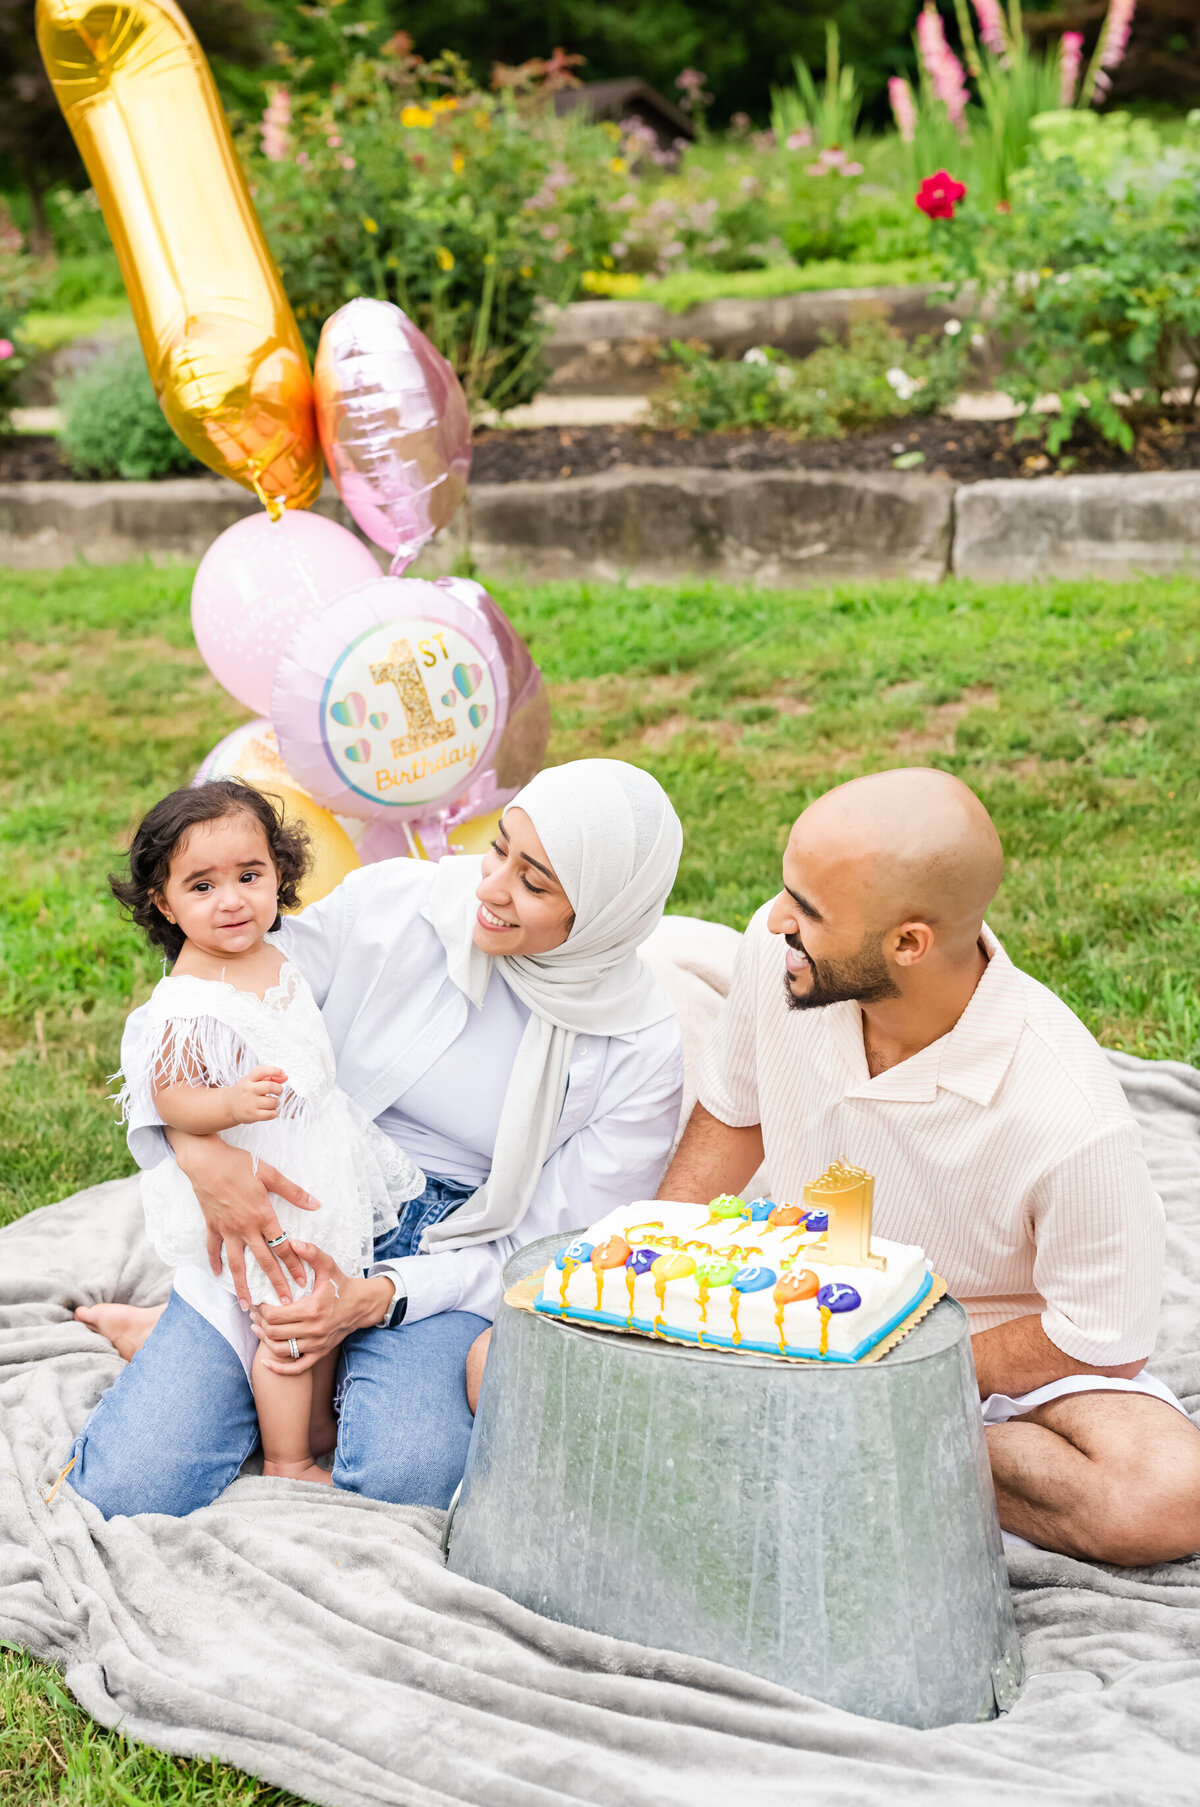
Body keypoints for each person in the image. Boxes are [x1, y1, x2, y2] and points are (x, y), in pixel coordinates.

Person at [70, 758, 684, 1517]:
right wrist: (199, 1151)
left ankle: (289, 1373)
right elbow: (205, 1003)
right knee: (127, 1488)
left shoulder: (639, 1045)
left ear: (605, 910)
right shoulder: (402, 904)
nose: (489, 889)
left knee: (407, 1478)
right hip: (299, 1198)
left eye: (535, 882)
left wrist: (379, 1297)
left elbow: (546, 1250)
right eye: (499, 849)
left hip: (451, 1247)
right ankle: (199, 1347)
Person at [658, 766, 1200, 1567]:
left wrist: (886, 1372)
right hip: (796, 1300)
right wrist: (643, 1259)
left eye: (808, 910)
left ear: (908, 942)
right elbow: (736, 1117)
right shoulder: (780, 962)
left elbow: (1099, 1340)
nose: (776, 920)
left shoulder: (1068, 1112)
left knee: (1164, 1495)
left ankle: (831, 1432)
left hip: (984, 1353)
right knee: (504, 1363)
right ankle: (846, 1436)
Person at [100, 781, 424, 1486]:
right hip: (264, 1185)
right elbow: (171, 1097)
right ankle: (288, 1458)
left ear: (279, 872)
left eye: (250, 876)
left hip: (318, 1164)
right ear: (164, 903)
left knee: (325, 1302)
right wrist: (229, 1104)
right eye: (203, 885)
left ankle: (311, 1424)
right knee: (286, 1325)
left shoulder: (278, 952)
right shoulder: (191, 995)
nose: (232, 900)